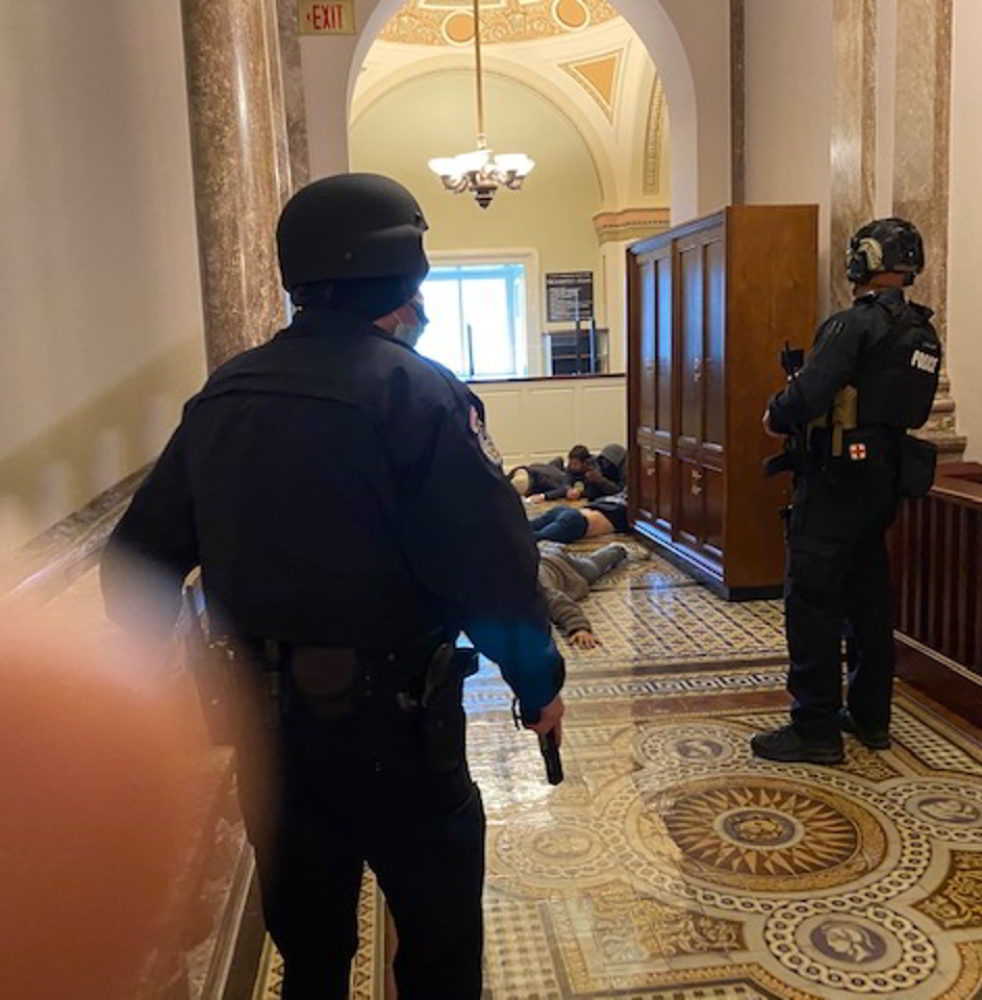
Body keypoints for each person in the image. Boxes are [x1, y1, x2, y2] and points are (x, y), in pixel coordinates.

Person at [100, 173, 565, 1000]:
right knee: (438, 937)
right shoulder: (418, 393)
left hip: (270, 732)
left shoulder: (224, 394)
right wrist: (538, 686)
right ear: (405, 277)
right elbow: (493, 571)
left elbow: (136, 562)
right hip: (401, 731)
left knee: (309, 946)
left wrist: (153, 703)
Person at [753, 217, 941, 765]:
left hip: (835, 480)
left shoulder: (854, 325)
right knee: (869, 599)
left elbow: (808, 395)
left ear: (862, 260)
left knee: (811, 601)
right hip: (883, 478)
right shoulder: (923, 331)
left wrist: (776, 412)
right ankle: (871, 716)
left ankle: (814, 728)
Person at [538, 541, 628, 648]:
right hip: (542, 555)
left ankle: (618, 549)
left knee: (592, 567)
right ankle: (549, 546)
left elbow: (560, 603)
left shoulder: (536, 585)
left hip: (561, 566)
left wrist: (579, 628)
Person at [529, 492, 629, 543]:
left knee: (523, 528)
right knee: (534, 537)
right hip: (577, 521)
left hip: (568, 511)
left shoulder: (613, 498)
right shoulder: (631, 511)